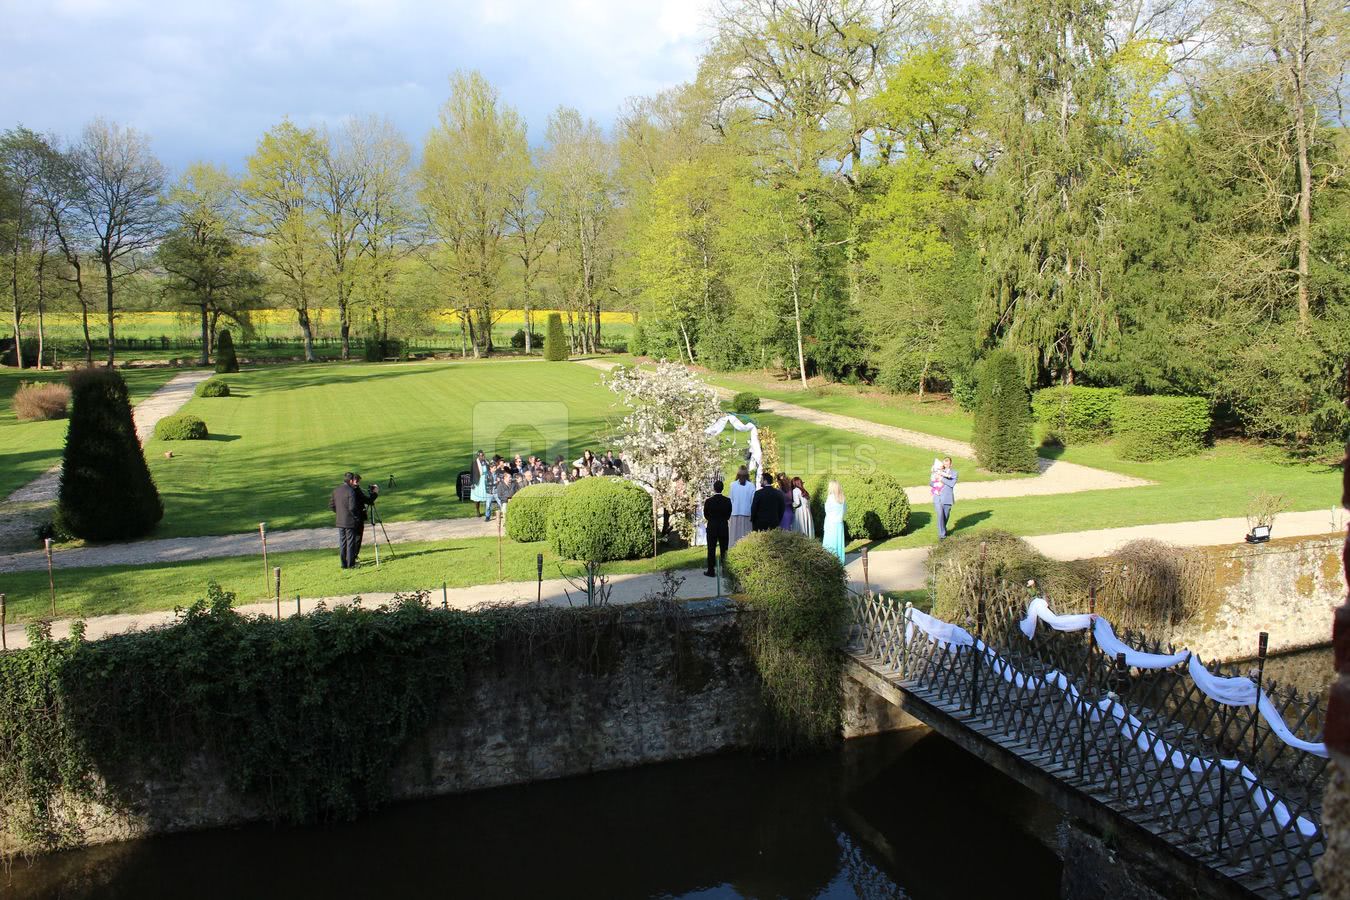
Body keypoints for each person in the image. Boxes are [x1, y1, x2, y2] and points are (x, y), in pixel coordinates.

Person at [329, 471, 377, 569]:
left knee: (343, 542)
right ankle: (351, 564)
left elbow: (332, 506)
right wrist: (355, 517)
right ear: (351, 480)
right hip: (350, 520)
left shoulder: (336, 489)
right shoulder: (351, 491)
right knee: (350, 542)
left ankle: (343, 564)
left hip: (340, 520)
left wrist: (340, 513)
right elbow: (352, 508)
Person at [703, 480, 732, 577]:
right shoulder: (727, 501)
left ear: (714, 489)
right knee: (724, 549)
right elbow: (728, 514)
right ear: (722, 488)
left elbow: (706, 515)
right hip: (723, 527)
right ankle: (725, 570)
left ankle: (711, 570)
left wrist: (711, 520)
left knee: (711, 549)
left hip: (712, 527)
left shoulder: (709, 501)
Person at [728, 466, 755, 546]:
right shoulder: (751, 485)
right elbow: (752, 501)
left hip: (736, 513)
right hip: (746, 513)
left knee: (734, 538)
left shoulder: (733, 485)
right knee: (746, 537)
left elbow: (731, 499)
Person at [822, 480, 846, 564]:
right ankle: (840, 561)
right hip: (839, 523)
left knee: (830, 542)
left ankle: (830, 561)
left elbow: (827, 510)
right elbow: (844, 510)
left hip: (831, 522)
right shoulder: (842, 497)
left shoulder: (831, 497)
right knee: (839, 542)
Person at [935, 456, 958, 540]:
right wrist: (935, 485)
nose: (945, 465)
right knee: (940, 515)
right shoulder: (938, 470)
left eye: (947, 463)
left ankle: (943, 529)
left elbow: (951, 484)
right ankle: (942, 535)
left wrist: (941, 479)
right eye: (944, 463)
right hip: (938, 497)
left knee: (945, 516)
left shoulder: (954, 473)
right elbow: (931, 482)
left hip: (948, 498)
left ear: (951, 464)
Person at [469, 450, 489, 516]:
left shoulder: (486, 462)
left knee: (487, 496)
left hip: (485, 480)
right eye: (481, 455)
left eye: (483, 455)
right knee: (477, 498)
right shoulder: (474, 463)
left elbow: (490, 470)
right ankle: (478, 511)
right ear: (478, 456)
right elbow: (471, 473)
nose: (482, 456)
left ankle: (487, 511)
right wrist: (471, 483)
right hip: (478, 481)